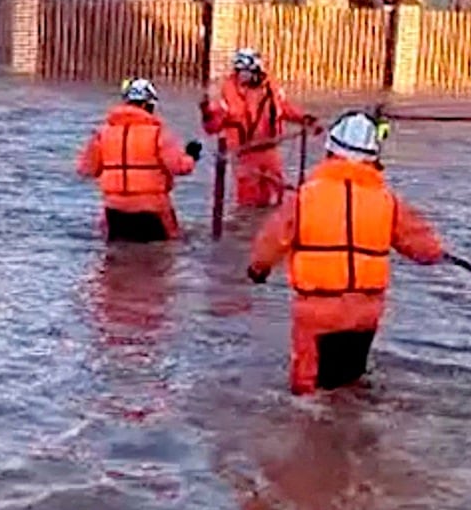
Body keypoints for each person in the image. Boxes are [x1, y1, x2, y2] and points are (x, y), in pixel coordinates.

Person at [246, 111, 445, 395]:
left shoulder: (304, 198)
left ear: (330, 150)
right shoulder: (387, 201)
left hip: (318, 312)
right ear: (373, 158)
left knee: (309, 395)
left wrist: (258, 269)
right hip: (366, 313)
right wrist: (437, 250)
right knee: (351, 385)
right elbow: (428, 250)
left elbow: (271, 242)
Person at [78, 78, 201, 242]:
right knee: (163, 256)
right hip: (153, 209)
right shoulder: (158, 133)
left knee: (116, 259)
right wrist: (191, 156)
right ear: (148, 105)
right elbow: (179, 167)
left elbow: (86, 169)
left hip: (114, 211)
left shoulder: (102, 134)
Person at [201, 49, 316, 207]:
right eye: (239, 71)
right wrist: (207, 114)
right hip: (244, 153)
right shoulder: (227, 92)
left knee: (278, 194)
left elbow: (284, 108)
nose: (242, 75)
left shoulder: (270, 87)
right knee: (249, 201)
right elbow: (213, 126)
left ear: (256, 70)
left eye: (245, 71)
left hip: (269, 149)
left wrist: (305, 119)